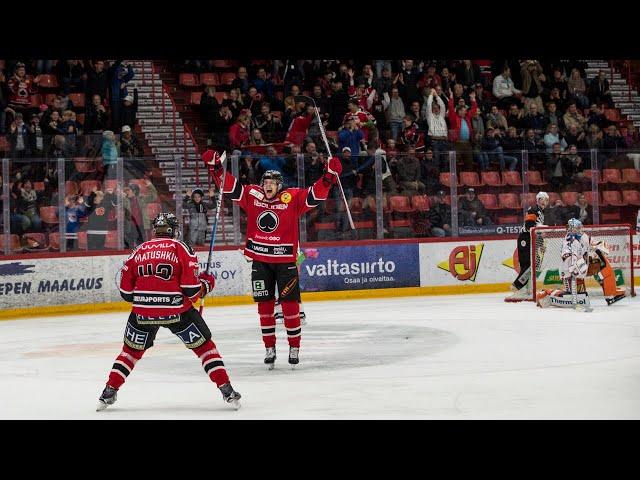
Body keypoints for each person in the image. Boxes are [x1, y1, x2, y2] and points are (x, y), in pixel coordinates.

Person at [203, 149, 342, 369]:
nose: (267, 185)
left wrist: (328, 177)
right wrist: (216, 169)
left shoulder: (292, 198)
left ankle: (294, 347)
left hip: (285, 263)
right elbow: (229, 187)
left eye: (271, 182)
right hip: (260, 261)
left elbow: (315, 195)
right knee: (265, 309)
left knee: (289, 307)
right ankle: (270, 348)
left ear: (279, 185)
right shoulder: (253, 195)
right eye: (265, 181)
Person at [97, 212, 241, 411]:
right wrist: (206, 285)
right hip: (177, 311)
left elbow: (126, 293)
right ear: (174, 230)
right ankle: (226, 390)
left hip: (143, 312)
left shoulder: (138, 250)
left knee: (130, 352)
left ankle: (108, 392)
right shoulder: (181, 248)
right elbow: (191, 290)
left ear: (155, 230)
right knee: (204, 347)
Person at [535, 218, 592, 310]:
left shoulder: (580, 239)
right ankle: (545, 294)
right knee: (569, 293)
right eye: (577, 228)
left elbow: (584, 249)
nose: (580, 230)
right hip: (567, 271)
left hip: (576, 268)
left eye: (580, 227)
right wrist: (573, 266)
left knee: (576, 293)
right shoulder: (569, 240)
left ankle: (549, 295)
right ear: (571, 229)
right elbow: (566, 256)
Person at [506, 191, 549, 302]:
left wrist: (540, 243)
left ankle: (528, 289)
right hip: (525, 239)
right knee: (526, 264)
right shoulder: (533, 209)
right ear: (538, 199)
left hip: (531, 239)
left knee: (533, 264)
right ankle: (518, 287)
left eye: (547, 200)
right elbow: (529, 225)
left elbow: (535, 230)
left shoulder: (541, 212)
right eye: (543, 199)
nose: (546, 201)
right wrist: (542, 228)